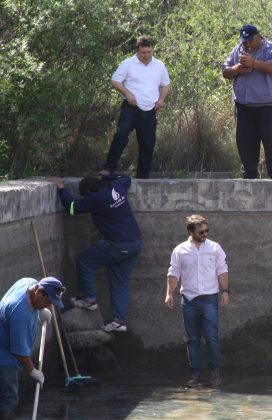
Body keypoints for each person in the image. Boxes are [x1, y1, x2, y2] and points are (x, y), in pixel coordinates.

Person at [52, 171, 142, 332]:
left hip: (117, 245)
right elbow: (126, 177)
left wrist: (61, 188)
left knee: (84, 261)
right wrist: (106, 176)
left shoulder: (95, 199)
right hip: (135, 244)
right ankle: (119, 321)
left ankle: (89, 298)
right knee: (119, 282)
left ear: (88, 193)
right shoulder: (117, 186)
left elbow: (72, 207)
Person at [165, 215, 229, 388]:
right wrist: (169, 294)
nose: (205, 234)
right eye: (201, 231)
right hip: (189, 300)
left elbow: (222, 270)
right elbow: (174, 272)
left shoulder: (215, 248)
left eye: (207, 230)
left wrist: (225, 291)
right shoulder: (180, 250)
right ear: (190, 231)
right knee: (192, 340)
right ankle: (196, 375)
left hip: (209, 299)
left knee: (211, 338)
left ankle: (215, 372)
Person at [221, 24, 272, 179]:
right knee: (246, 145)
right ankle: (249, 177)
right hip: (244, 106)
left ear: (258, 36)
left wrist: (253, 64)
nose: (247, 44)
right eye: (244, 41)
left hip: (269, 106)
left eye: (250, 40)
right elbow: (225, 71)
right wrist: (236, 69)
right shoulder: (238, 49)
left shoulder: (270, 48)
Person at [103, 35, 171, 179]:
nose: (146, 55)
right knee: (121, 135)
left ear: (152, 50)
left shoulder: (159, 65)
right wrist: (128, 94)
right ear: (137, 50)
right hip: (131, 108)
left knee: (148, 144)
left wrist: (161, 100)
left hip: (150, 110)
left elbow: (166, 84)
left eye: (149, 52)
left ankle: (143, 177)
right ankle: (108, 169)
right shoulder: (128, 63)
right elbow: (115, 81)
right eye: (143, 52)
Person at [0, 277, 65, 418]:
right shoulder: (20, 314)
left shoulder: (29, 282)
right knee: (8, 400)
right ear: (39, 292)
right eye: (48, 302)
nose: (48, 306)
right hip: (3, 357)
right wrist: (33, 371)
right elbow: (19, 352)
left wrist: (38, 312)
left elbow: (32, 305)